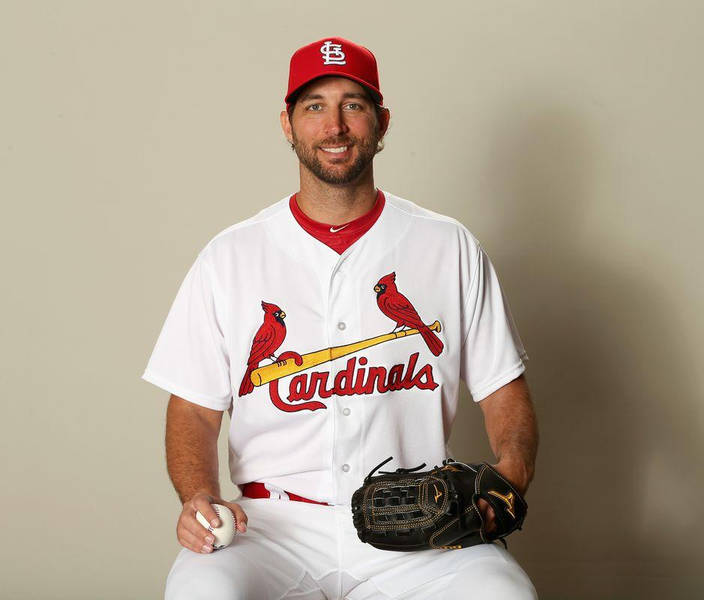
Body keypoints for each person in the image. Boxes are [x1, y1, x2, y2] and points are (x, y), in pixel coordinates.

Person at [142, 36, 539, 599]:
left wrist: (509, 479)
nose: (335, 126)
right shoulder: (229, 256)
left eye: (353, 104)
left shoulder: (447, 246)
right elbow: (193, 411)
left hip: (417, 522)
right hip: (270, 525)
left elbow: (506, 394)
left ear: (382, 121)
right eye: (315, 107)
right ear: (287, 124)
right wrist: (198, 496)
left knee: (505, 596)